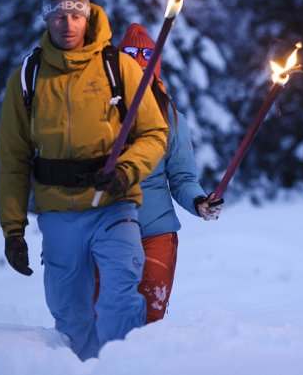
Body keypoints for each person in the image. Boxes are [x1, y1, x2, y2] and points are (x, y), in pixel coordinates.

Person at [0, 0, 168, 361]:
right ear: (46, 18)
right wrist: (12, 230)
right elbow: (12, 159)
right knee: (70, 314)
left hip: (114, 205)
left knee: (121, 292)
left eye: (75, 14)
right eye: (58, 15)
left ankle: (123, 367)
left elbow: (154, 133)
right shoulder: (28, 76)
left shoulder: (119, 68)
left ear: (88, 13)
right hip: (58, 212)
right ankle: (83, 368)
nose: (67, 23)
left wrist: (126, 170)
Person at [92, 23, 223, 323]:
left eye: (145, 68)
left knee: (149, 320)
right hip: (106, 231)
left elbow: (182, 179)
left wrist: (199, 202)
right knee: (102, 319)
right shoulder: (98, 113)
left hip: (156, 233)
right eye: (130, 68)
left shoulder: (172, 118)